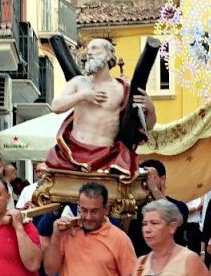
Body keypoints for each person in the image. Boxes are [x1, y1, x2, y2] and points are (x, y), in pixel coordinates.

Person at [46, 38, 156, 180]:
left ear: (109, 55)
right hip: (74, 153)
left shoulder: (123, 88)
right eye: (88, 50)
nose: (89, 53)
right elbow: (56, 106)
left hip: (107, 156)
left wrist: (151, 110)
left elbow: (149, 126)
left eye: (95, 48)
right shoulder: (78, 83)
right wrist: (83, 95)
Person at [128, 159, 189, 257]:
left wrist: (154, 189)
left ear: (163, 179)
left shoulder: (179, 206)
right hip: (142, 264)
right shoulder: (135, 206)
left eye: (151, 178)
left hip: (171, 264)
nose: (146, 182)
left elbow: (176, 218)